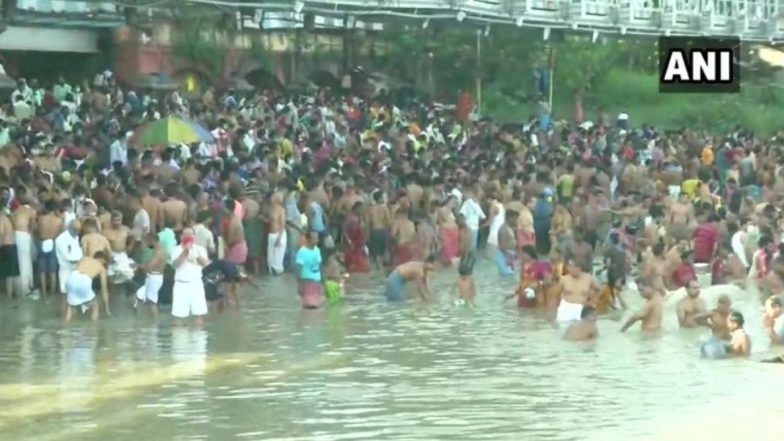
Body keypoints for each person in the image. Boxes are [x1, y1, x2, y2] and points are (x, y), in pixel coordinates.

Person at [171, 228, 210, 325]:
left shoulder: (200, 249)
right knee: (178, 316)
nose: (188, 236)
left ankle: (198, 338)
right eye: (186, 234)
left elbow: (205, 263)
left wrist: (195, 254)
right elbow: (175, 264)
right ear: (181, 237)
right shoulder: (176, 249)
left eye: (191, 234)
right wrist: (185, 252)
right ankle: (180, 338)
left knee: (198, 314)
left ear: (194, 237)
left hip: (196, 285)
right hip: (181, 285)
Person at [64, 252, 111, 323]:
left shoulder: (84, 259)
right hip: (84, 280)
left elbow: (75, 269)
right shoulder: (101, 268)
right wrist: (107, 309)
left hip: (72, 278)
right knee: (95, 306)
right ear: (102, 260)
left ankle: (65, 326)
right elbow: (104, 289)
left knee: (71, 307)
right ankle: (93, 327)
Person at [55, 219, 83, 317]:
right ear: (69, 228)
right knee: (65, 295)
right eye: (76, 230)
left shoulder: (75, 237)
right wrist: (83, 260)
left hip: (77, 270)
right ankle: (64, 316)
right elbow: (68, 257)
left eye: (79, 230)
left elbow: (79, 252)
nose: (77, 232)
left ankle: (74, 316)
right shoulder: (61, 239)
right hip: (66, 271)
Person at [135, 232, 167, 317]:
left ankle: (154, 324)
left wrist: (136, 265)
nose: (147, 243)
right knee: (139, 297)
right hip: (152, 277)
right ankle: (143, 321)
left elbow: (149, 267)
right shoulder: (158, 250)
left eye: (147, 241)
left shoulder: (159, 252)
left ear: (151, 240)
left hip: (154, 278)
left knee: (152, 302)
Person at [36, 200, 63, 297]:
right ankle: (52, 293)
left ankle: (43, 292)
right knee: (52, 271)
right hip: (53, 242)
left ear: (46, 208)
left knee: (42, 270)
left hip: (42, 241)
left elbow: (37, 231)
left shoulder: (40, 218)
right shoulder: (59, 221)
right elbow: (60, 234)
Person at [295, 231, 324, 309]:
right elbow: (298, 268)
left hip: (316, 281)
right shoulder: (302, 252)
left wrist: (323, 282)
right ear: (308, 239)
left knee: (318, 306)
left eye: (317, 238)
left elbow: (320, 266)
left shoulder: (317, 250)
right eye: (314, 239)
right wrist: (300, 284)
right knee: (309, 306)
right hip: (307, 281)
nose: (316, 240)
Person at [343, 201, 371, 273]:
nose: (362, 210)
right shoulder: (350, 217)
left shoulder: (361, 217)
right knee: (352, 255)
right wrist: (349, 241)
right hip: (352, 238)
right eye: (361, 209)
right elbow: (345, 229)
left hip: (359, 239)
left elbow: (364, 228)